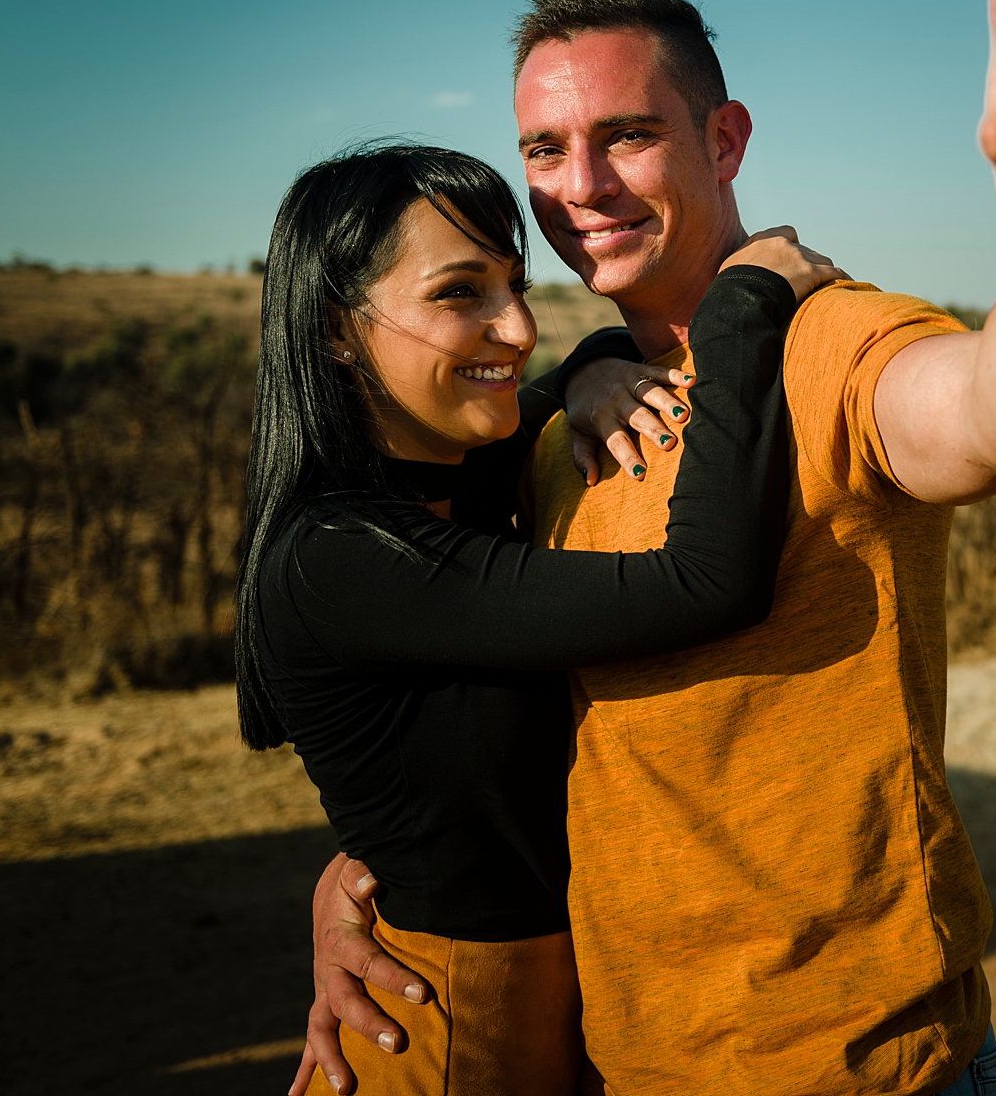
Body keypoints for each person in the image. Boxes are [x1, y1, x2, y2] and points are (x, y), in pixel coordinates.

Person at [303, 0, 996, 1095]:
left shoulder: (829, 339)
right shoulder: (550, 426)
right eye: (545, 150)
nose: (582, 187)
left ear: (724, 140)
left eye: (626, 136)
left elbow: (988, 413)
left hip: (850, 1059)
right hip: (625, 1055)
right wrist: (365, 877)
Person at [240, 141, 843, 1096]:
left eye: (516, 286)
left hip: (554, 1016)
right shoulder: (342, 557)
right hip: (446, 1041)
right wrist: (741, 303)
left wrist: (596, 364)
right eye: (460, 293)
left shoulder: (453, 476)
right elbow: (708, 581)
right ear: (337, 330)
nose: (516, 326)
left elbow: (551, 379)